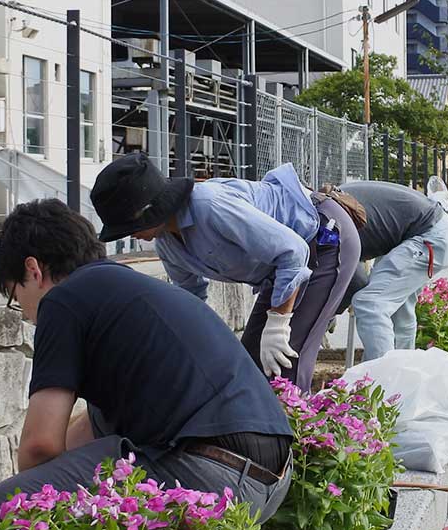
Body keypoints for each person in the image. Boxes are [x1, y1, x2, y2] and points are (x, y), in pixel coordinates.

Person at [0, 198, 295, 520]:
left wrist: (19, 497)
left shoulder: (62, 301)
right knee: (103, 423)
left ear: (33, 271)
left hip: (212, 477)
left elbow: (40, 447)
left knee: (4, 502)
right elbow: (88, 432)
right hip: (272, 480)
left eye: (16, 298)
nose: (28, 316)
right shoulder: (127, 291)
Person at [91, 153, 361, 390]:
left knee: (285, 362)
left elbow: (293, 251)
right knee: (252, 363)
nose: (132, 235)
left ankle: (300, 441)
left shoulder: (210, 205)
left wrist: (278, 325)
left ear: (150, 212)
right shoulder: (167, 244)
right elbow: (191, 296)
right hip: (281, 271)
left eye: (130, 227)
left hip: (322, 241)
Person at [340, 175, 448, 359]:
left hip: (428, 235)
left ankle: (384, 380)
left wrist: (327, 315)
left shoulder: (326, 219)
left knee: (371, 303)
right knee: (400, 314)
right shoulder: (332, 203)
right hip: (425, 231)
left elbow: (354, 280)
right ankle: (403, 375)